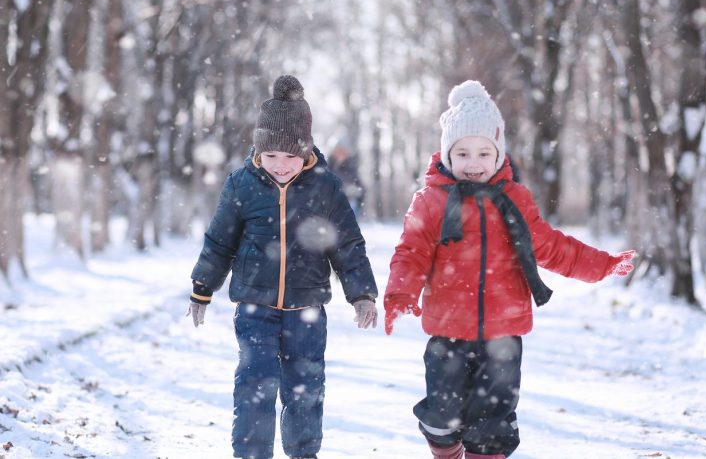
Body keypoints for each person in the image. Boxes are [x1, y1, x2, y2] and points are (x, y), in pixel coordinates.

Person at [383, 80, 635, 459]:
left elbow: (550, 246)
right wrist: (400, 294)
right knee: (441, 413)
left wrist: (600, 264)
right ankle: (446, 449)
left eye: (484, 153)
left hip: (503, 333)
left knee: (493, 418)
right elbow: (411, 252)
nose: (473, 163)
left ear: (499, 153)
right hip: (448, 329)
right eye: (463, 153)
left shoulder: (514, 199)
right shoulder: (432, 201)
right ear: (447, 154)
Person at [188, 75, 379, 459]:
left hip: (307, 308)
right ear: (259, 150)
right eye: (271, 156)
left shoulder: (324, 187)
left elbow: (347, 243)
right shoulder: (242, 184)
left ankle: (303, 453)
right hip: (255, 308)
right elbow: (220, 240)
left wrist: (361, 293)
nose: (280, 166)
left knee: (305, 388)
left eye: (290, 157)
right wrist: (202, 287)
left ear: (305, 152)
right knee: (255, 384)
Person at [327, 136, 365, 215]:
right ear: (333, 151)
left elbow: (362, 190)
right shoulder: (325, 167)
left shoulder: (351, 169)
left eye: (343, 151)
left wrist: (355, 192)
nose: (340, 154)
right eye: (338, 150)